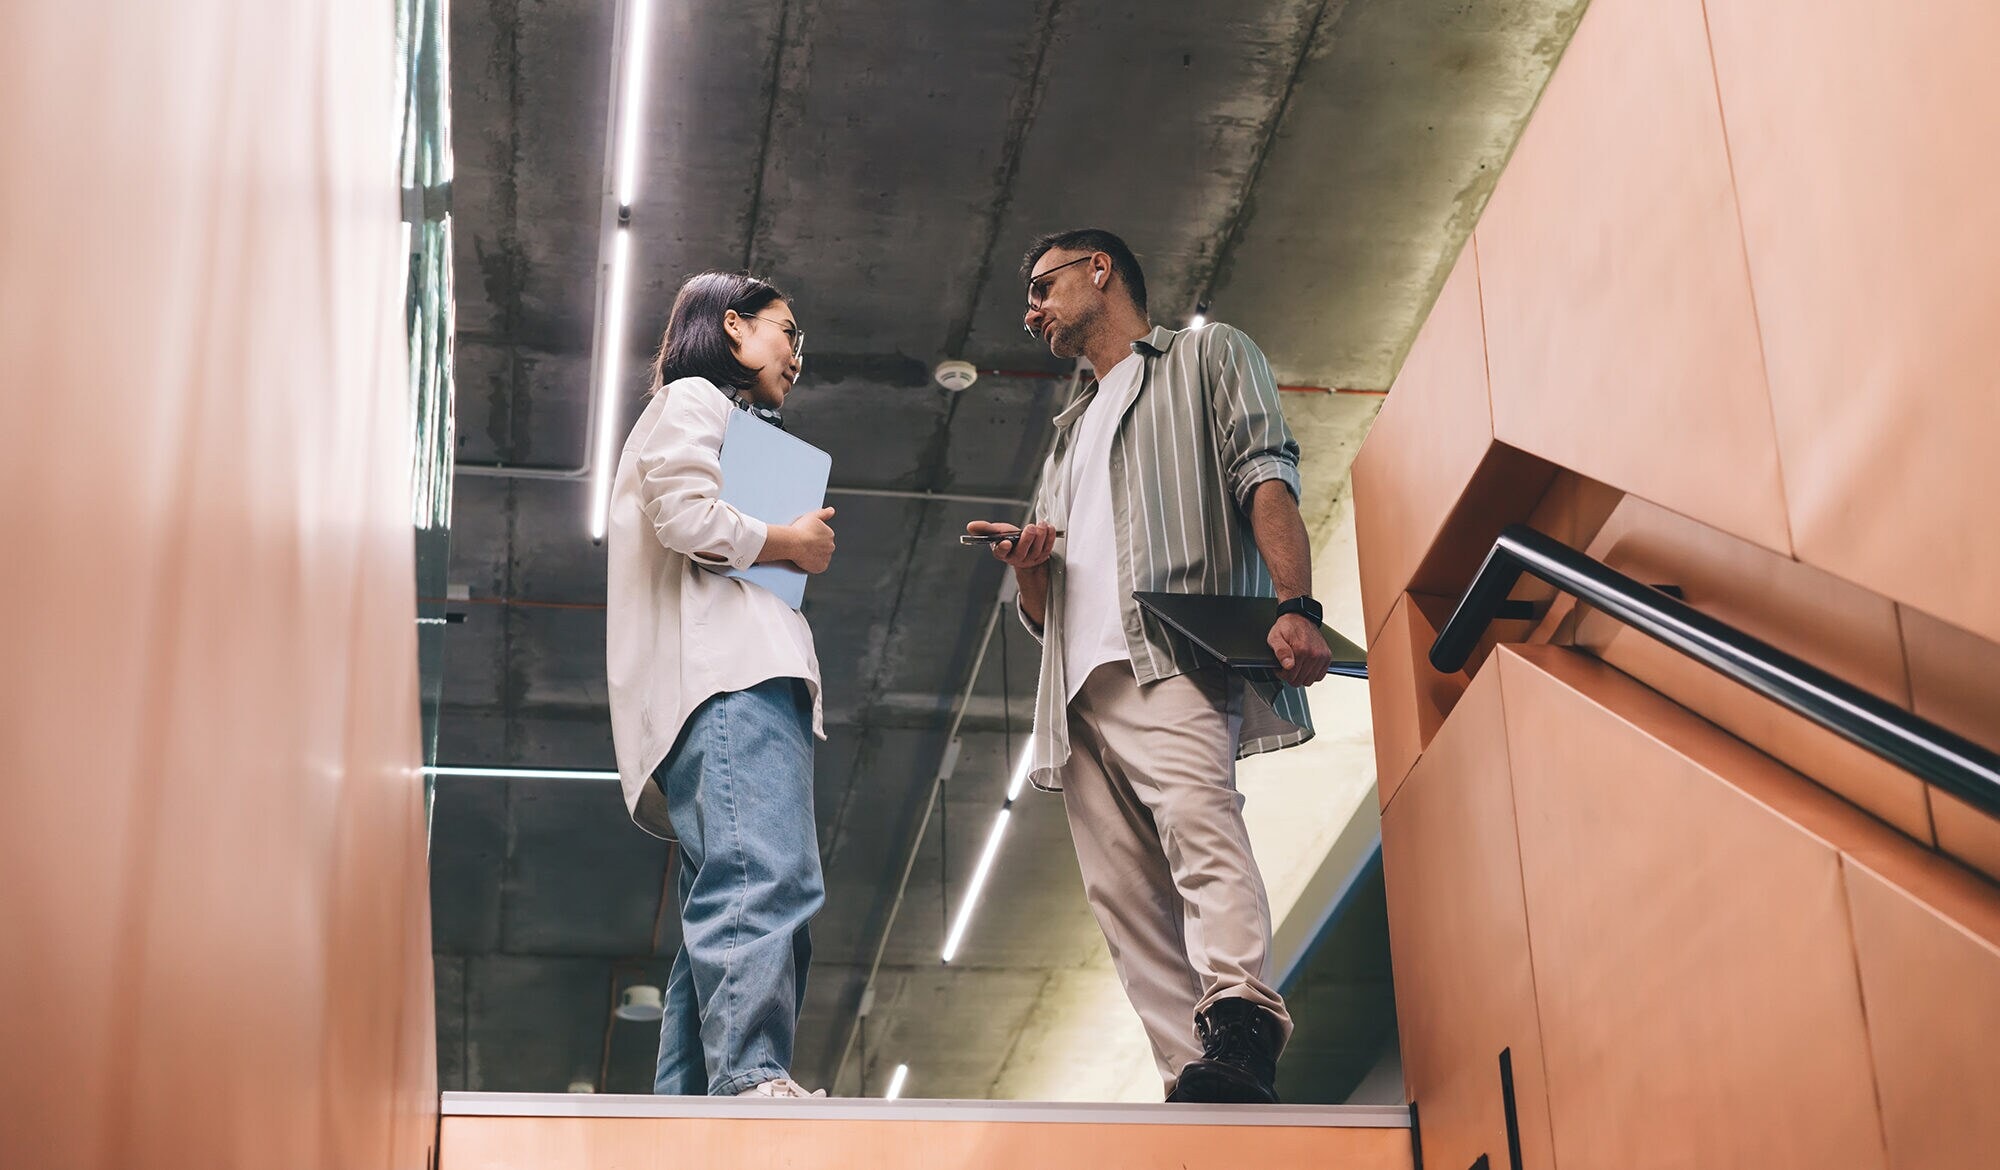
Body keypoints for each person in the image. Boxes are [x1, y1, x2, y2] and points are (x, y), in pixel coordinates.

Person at [968, 229, 1334, 1104]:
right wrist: (1028, 568)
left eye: (1042, 285)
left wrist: (1297, 604)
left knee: (1201, 831)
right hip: (1079, 697)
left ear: (1100, 271)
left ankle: (1242, 1020)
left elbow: (1264, 474)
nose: (1032, 310)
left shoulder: (1206, 354)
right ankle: (1194, 1076)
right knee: (1124, 901)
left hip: (1171, 652)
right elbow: (1041, 612)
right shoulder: (1066, 437)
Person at [605, 271, 837, 1099]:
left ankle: (688, 1114)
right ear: (732, 327)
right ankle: (749, 1080)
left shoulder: (724, 421)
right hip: (730, 684)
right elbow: (685, 513)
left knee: (730, 896)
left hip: (732, 683)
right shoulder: (695, 399)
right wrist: (789, 541)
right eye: (785, 331)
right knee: (765, 880)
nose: (795, 355)